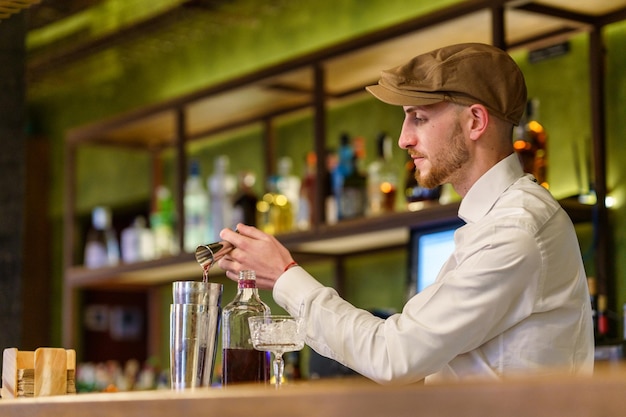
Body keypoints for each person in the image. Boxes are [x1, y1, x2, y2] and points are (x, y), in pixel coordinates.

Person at [217, 43, 594, 384]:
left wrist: (284, 275)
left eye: (419, 117)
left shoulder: (514, 230)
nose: (403, 139)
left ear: (476, 122)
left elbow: (394, 355)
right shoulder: (497, 222)